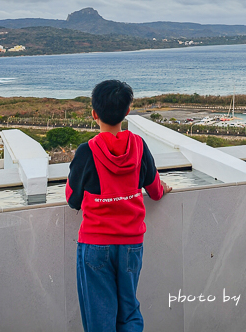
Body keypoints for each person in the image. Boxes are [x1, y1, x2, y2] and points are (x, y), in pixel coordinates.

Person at [66, 79, 172, 332]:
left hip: (95, 244)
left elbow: (72, 199)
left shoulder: (86, 151)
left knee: (99, 317)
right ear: (127, 111)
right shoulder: (138, 146)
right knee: (129, 311)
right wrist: (164, 187)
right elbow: (155, 190)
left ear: (94, 114)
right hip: (131, 244)